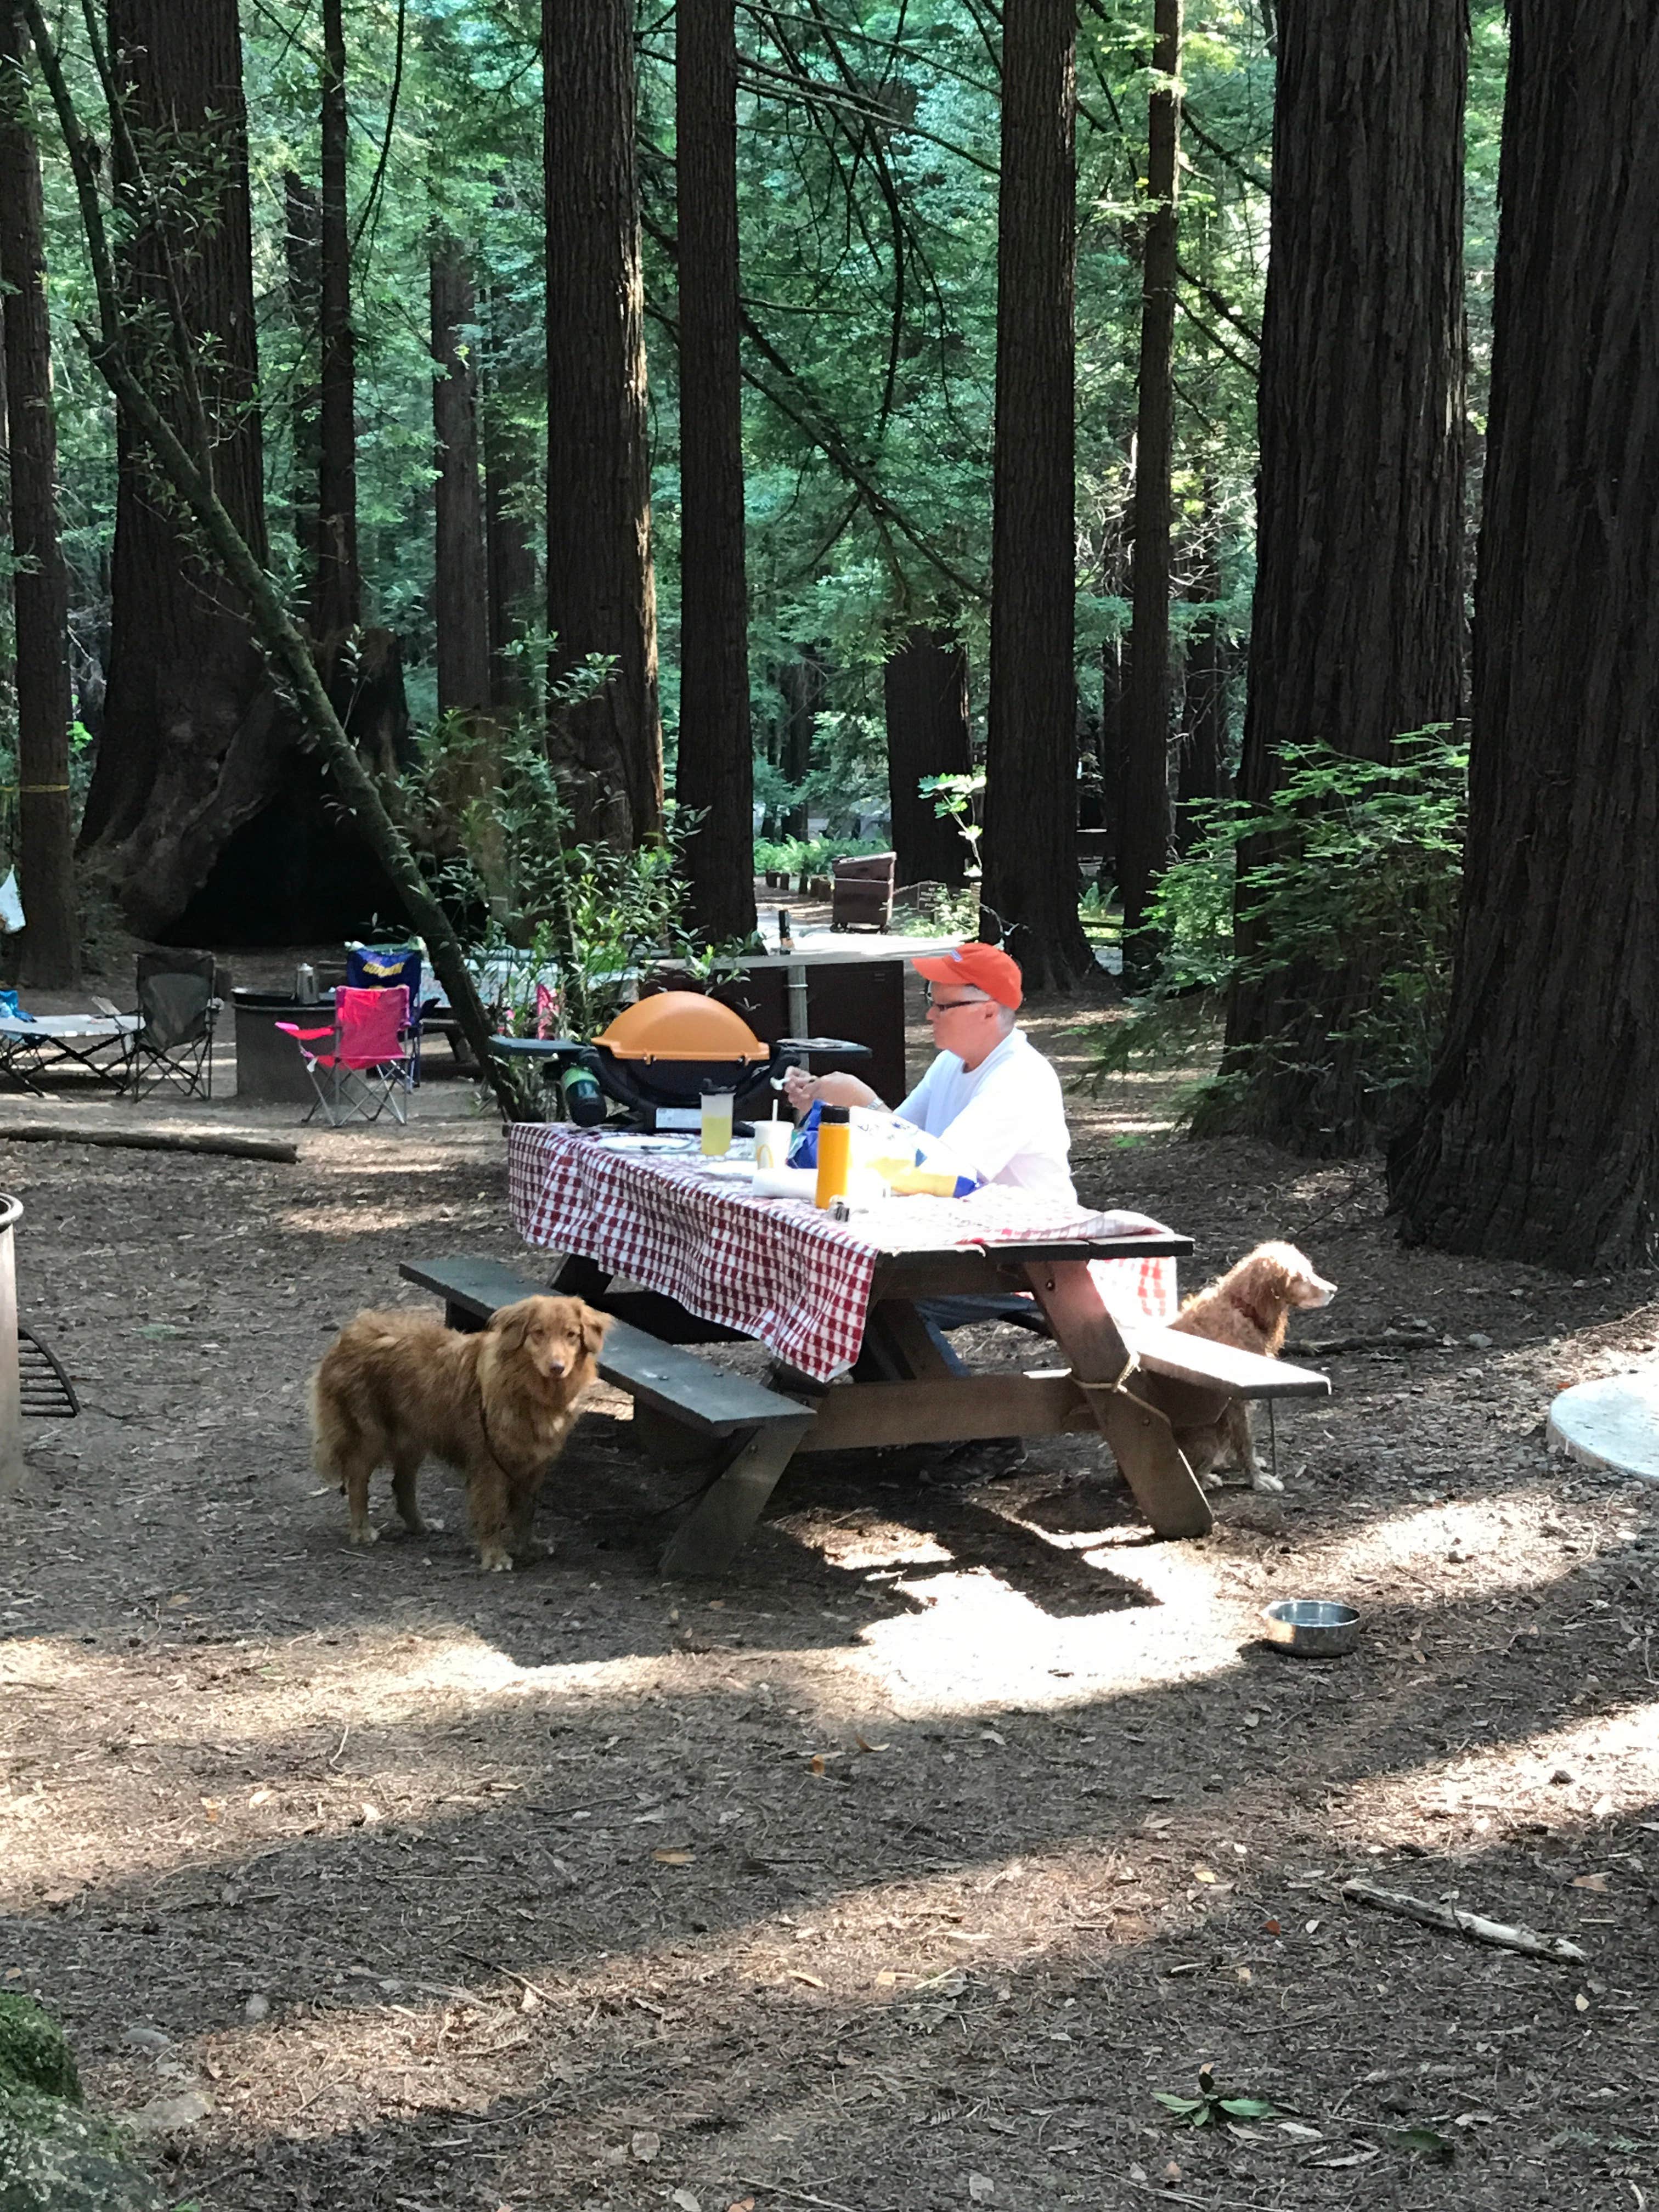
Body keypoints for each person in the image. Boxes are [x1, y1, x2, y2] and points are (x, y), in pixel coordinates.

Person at [781, 941, 1076, 1206]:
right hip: (977, 1232)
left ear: (988, 1012)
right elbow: (900, 1137)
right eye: (931, 1001)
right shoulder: (950, 1061)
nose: (930, 1015)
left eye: (943, 1006)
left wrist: (863, 1102)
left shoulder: (1020, 1078)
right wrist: (833, 1106)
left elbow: (943, 1170)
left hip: (1034, 1248)